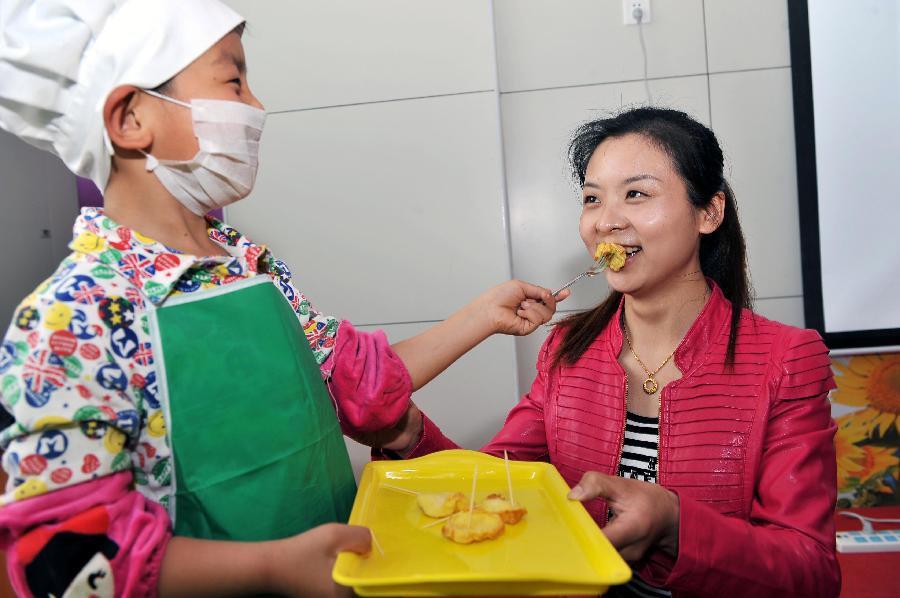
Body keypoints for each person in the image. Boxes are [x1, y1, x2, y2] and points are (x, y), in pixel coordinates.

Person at [0, 1, 564, 596]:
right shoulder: (75, 315)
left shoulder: (248, 265)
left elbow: (359, 390)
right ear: (132, 118)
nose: (256, 105)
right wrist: (271, 568)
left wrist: (482, 315)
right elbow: (64, 557)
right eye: (233, 80)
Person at [378, 107, 841, 597]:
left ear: (709, 212)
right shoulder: (564, 351)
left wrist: (675, 525)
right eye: (592, 199)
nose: (606, 221)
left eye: (636, 194)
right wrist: (409, 435)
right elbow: (494, 492)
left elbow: (809, 570)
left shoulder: (787, 359)